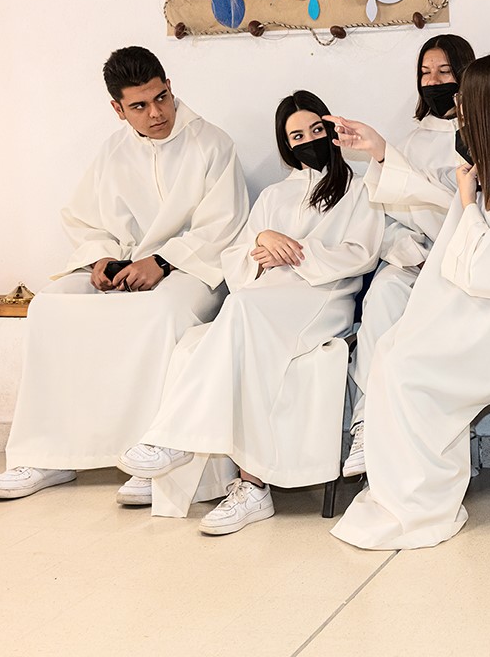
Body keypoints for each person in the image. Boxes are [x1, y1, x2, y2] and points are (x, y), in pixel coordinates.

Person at [328, 53, 490, 550]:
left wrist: (467, 201)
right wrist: (380, 150)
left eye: (466, 106)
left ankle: (420, 505)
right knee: (394, 352)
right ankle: (412, 493)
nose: (459, 115)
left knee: (409, 369)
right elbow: (434, 197)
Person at [0, 46, 248, 502]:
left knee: (162, 311)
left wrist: (161, 262)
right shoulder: (113, 151)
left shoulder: (212, 143)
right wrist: (102, 259)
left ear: (170, 86)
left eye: (161, 97)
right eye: (139, 106)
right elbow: (85, 219)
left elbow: (223, 224)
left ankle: (150, 460)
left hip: (194, 271)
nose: (156, 113)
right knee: (50, 305)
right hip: (127, 265)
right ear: (117, 109)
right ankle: (48, 454)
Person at [116, 91, 383, 534]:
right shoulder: (274, 196)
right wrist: (262, 242)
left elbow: (362, 253)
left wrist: (296, 251)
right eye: (296, 136)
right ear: (285, 145)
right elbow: (239, 260)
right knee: (200, 342)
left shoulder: (359, 188)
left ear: (332, 130)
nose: (308, 141)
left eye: (316, 129)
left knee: (240, 311)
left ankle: (174, 438)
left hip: (323, 297)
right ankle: (249, 486)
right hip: (265, 298)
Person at [343, 34, 476, 478]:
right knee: (383, 293)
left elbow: (473, 210)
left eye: (444, 72)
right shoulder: (411, 142)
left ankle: (432, 443)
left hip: (464, 267)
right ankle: (367, 423)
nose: (433, 82)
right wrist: (408, 253)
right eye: (425, 73)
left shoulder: (484, 136)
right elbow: (386, 217)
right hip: (417, 262)